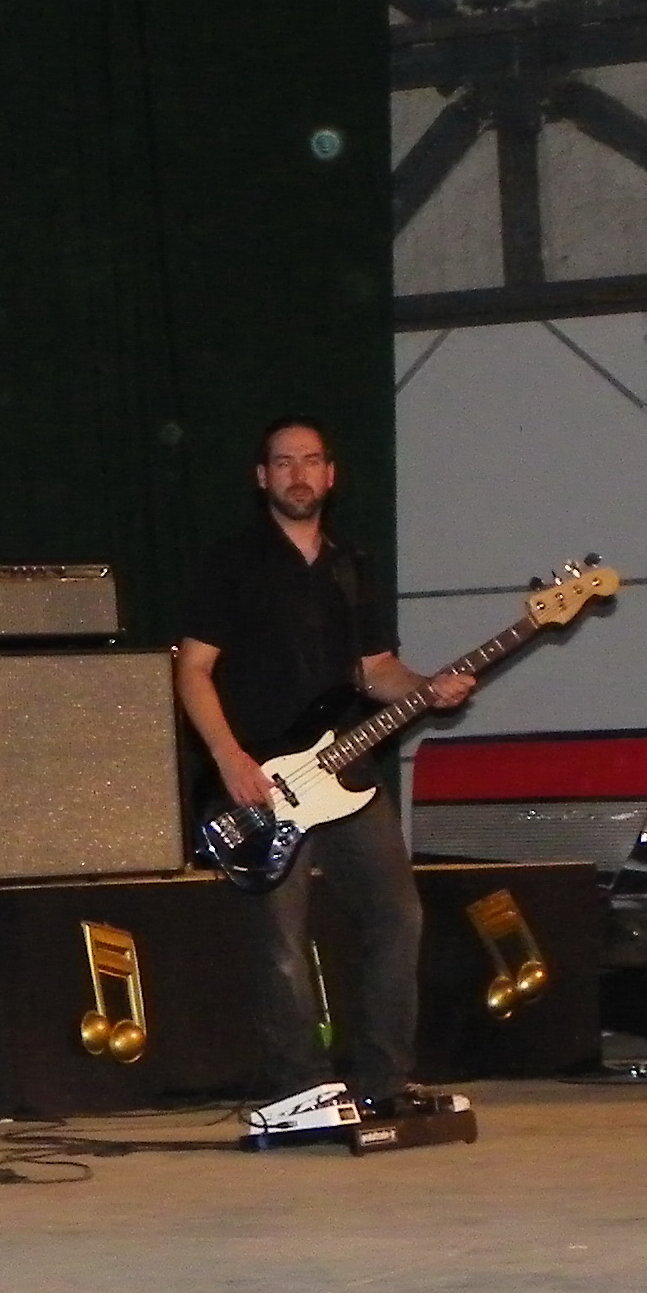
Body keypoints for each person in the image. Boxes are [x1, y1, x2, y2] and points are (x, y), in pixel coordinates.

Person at [174, 419, 475, 1105]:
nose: (298, 474)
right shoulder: (234, 562)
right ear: (262, 478)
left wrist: (428, 687)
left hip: (347, 771)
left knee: (398, 917)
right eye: (283, 462)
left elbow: (376, 670)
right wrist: (229, 757)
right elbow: (193, 670)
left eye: (310, 461)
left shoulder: (351, 565)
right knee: (281, 939)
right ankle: (302, 1087)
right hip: (259, 779)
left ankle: (383, 1080)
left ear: (331, 475)